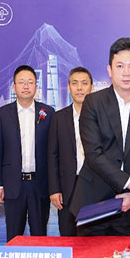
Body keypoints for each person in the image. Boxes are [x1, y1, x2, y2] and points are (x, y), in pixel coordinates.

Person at [69, 37, 130, 236]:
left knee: (128, 256)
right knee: (90, 256)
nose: (126, 72)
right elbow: (94, 154)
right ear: (110, 70)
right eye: (120, 66)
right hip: (94, 203)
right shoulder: (93, 103)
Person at [0, 65, 55, 241]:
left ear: (36, 86)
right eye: (21, 82)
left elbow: (53, 153)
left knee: (39, 236)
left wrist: (55, 186)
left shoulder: (48, 113)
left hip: (40, 185)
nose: (26, 86)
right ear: (14, 87)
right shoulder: (2, 114)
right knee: (14, 237)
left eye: (30, 82)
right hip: (13, 185)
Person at [47, 67, 93, 236]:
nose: (79, 88)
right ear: (68, 87)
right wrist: (54, 189)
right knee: (67, 236)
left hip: (94, 188)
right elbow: (52, 156)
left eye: (84, 83)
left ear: (91, 87)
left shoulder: (101, 117)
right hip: (66, 189)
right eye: (75, 83)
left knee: (91, 239)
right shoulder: (58, 118)